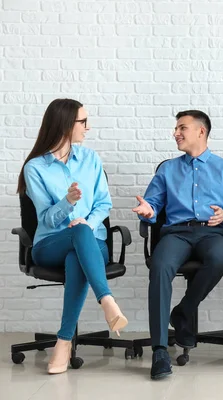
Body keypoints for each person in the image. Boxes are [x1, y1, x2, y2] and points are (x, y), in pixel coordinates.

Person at [132, 110, 223, 380]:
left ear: (201, 131)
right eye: (176, 128)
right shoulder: (168, 169)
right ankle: (160, 350)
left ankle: (183, 311)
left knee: (221, 257)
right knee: (161, 267)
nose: (176, 133)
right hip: (176, 233)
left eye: (182, 128)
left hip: (213, 233)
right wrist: (148, 211)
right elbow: (153, 203)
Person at [17, 98, 128, 374]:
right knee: (76, 237)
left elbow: (104, 204)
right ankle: (107, 301)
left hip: (91, 242)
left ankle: (63, 341)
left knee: (77, 251)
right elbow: (46, 219)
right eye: (83, 122)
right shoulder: (35, 168)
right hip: (49, 244)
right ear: (66, 124)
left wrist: (86, 224)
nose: (87, 128)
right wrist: (67, 202)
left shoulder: (90, 159)